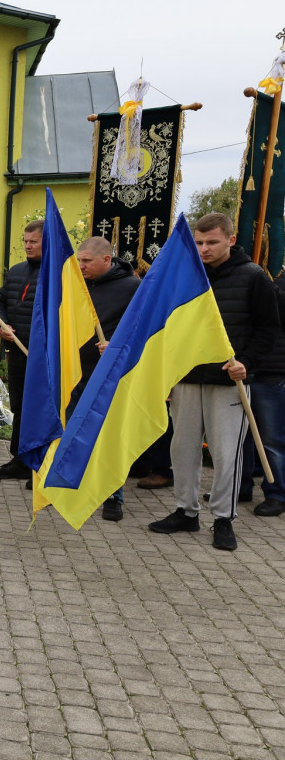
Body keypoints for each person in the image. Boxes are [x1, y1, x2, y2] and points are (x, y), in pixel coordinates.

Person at [148, 213, 279, 551]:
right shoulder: (186, 277)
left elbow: (269, 331)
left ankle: (223, 519)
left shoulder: (253, 278)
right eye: (200, 242)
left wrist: (246, 364)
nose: (204, 249)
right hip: (187, 379)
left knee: (226, 455)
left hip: (229, 383)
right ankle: (186, 512)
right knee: (183, 449)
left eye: (212, 242)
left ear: (231, 240)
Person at [75, 237, 140, 520]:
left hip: (111, 373)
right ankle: (72, 485)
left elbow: (143, 328)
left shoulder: (133, 288)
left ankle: (113, 494)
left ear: (106, 259)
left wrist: (116, 345)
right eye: (78, 260)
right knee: (74, 429)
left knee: (109, 433)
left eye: (86, 261)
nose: (81, 266)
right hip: (76, 370)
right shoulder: (77, 285)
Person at [0, 220, 43, 480]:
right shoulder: (17, 271)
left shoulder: (60, 274)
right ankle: (20, 460)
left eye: (34, 242)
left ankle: (40, 461)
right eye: (25, 241)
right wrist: (1, 325)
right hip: (18, 353)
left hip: (44, 355)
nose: (27, 246)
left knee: (41, 408)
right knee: (20, 406)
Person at [247, 271, 285, 517]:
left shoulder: (275, 286)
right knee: (241, 437)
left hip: (272, 370)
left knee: (272, 440)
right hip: (245, 368)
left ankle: (277, 494)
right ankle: (240, 486)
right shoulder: (268, 280)